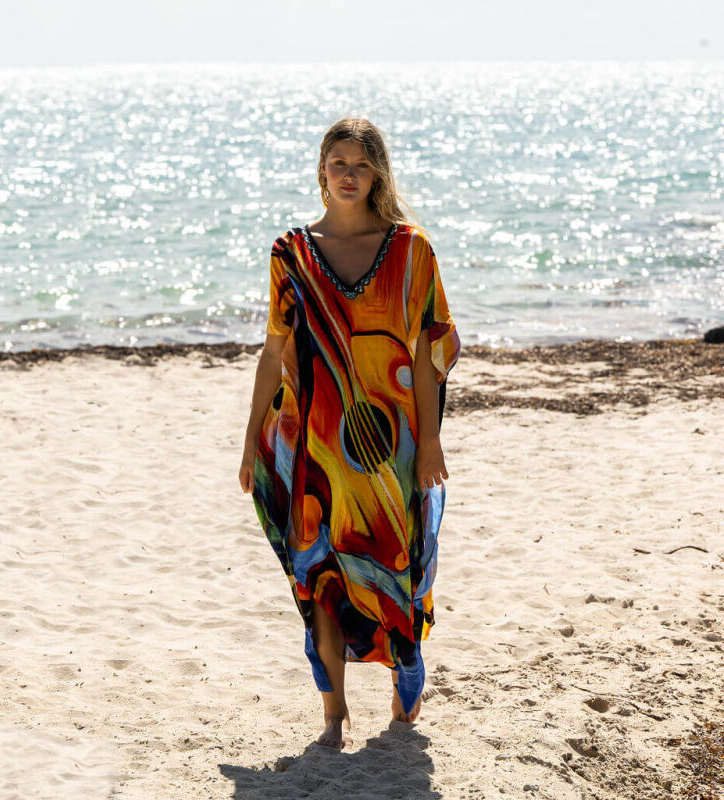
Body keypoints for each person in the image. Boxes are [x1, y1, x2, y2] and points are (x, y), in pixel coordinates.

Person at [238, 117, 460, 750]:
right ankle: (333, 714)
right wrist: (251, 440)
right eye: (337, 162)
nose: (347, 175)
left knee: (398, 575)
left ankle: (403, 689)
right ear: (321, 169)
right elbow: (274, 348)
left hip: (392, 451)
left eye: (360, 165)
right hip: (313, 447)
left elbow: (428, 351)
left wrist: (432, 443)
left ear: (377, 174)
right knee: (320, 581)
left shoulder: (411, 249)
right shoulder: (291, 253)